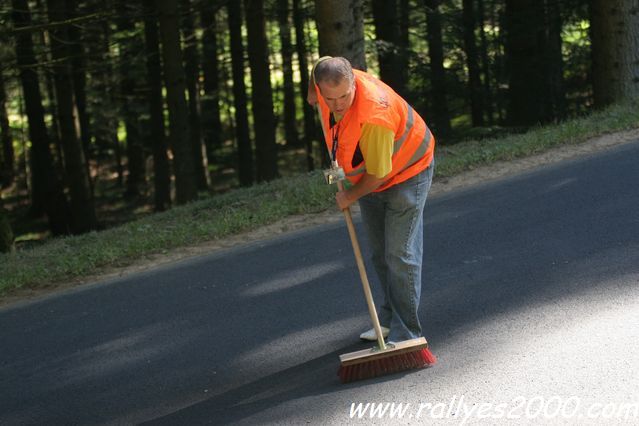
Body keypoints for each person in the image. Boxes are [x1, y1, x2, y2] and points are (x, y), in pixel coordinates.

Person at [307, 56, 436, 344]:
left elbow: (379, 174)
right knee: (380, 254)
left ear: (353, 81)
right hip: (369, 177)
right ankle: (389, 320)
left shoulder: (375, 115)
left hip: (407, 172)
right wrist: (312, 94)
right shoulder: (327, 78)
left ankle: (407, 332)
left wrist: (349, 196)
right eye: (330, 98)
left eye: (343, 96)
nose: (337, 104)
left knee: (399, 254)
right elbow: (320, 63)